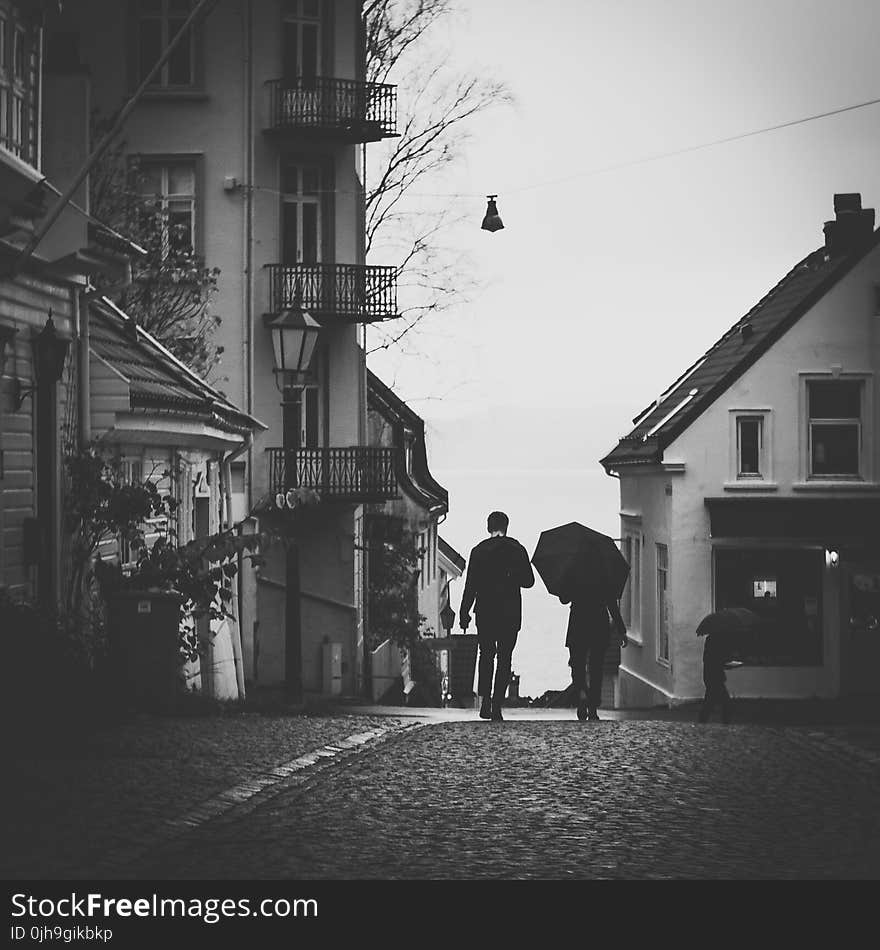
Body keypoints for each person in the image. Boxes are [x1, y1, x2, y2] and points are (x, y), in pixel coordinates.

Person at [459, 511, 535, 721]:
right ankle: (497, 705)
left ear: (488, 527)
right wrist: (512, 575)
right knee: (505, 658)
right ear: (507, 527)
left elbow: (470, 585)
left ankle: (484, 701)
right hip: (510, 613)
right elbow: (529, 581)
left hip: (485, 611)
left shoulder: (478, 551)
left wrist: (464, 611)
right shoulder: (517, 550)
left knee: (486, 655)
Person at [559, 573, 627, 721]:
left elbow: (563, 599)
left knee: (577, 664)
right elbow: (612, 604)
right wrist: (621, 630)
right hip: (599, 622)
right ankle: (593, 707)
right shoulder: (604, 572)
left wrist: (564, 583)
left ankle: (582, 693)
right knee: (596, 668)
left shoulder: (573, 570)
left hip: (578, 622)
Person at [698, 631, 733, 724]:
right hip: (714, 677)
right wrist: (726, 662)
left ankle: (702, 721)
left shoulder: (711, 640)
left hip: (710, 676)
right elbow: (716, 659)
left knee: (709, 701)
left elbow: (712, 659)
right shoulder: (715, 642)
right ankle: (726, 722)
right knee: (725, 702)